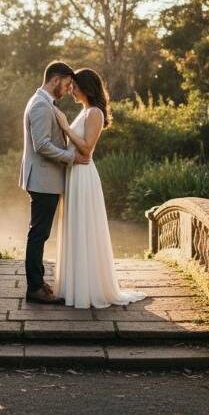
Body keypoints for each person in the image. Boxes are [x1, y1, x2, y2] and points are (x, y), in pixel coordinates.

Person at [52, 68, 146, 308]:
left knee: (84, 227)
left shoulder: (95, 113)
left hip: (84, 175)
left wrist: (65, 127)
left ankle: (89, 288)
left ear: (85, 88)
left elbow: (86, 149)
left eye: (74, 86)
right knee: (75, 228)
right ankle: (74, 285)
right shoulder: (85, 111)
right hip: (75, 174)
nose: (70, 89)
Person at [18, 61, 89, 304]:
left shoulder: (44, 102)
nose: (69, 89)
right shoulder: (40, 105)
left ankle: (37, 282)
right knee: (38, 234)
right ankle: (34, 289)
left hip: (44, 178)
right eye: (67, 83)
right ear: (55, 80)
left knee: (40, 233)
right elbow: (42, 145)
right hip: (42, 179)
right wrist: (72, 158)